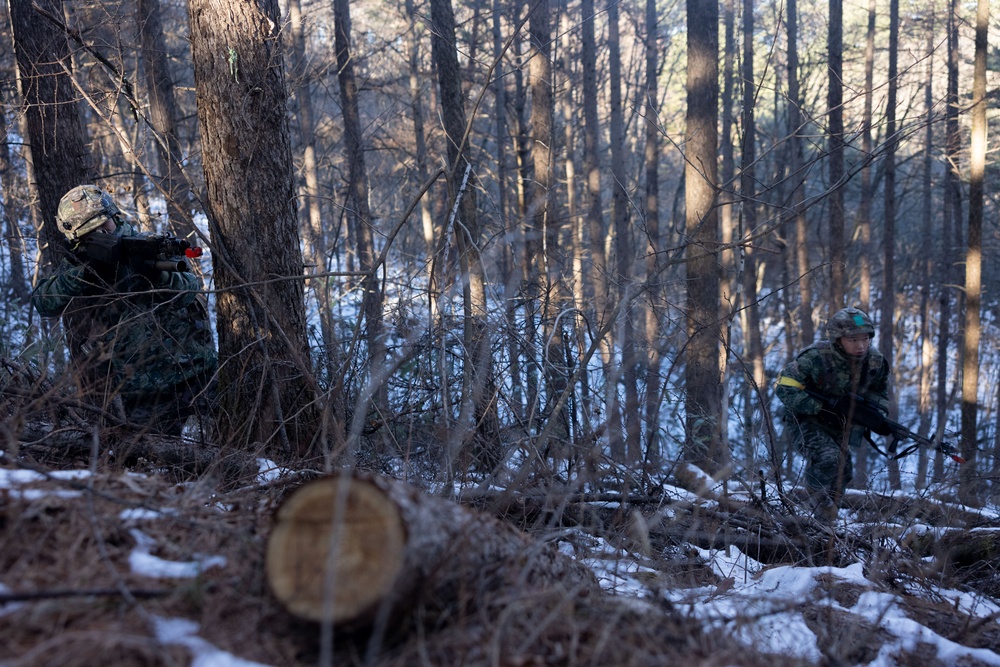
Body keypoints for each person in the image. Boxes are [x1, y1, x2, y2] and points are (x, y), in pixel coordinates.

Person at [32, 184, 217, 437]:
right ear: (78, 238)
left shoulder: (146, 245)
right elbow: (44, 302)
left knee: (244, 437)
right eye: (91, 232)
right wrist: (83, 273)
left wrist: (158, 274)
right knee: (154, 463)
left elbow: (188, 291)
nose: (101, 233)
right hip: (145, 389)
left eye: (104, 226)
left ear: (115, 217)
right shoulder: (81, 263)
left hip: (196, 369)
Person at [775, 307, 889, 522]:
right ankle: (815, 514)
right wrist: (819, 408)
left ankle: (828, 518)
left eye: (865, 339)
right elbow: (784, 387)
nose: (861, 345)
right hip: (805, 419)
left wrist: (875, 415)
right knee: (829, 458)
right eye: (853, 340)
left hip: (841, 422)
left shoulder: (875, 362)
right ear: (838, 339)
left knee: (844, 472)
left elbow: (879, 392)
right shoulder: (815, 357)